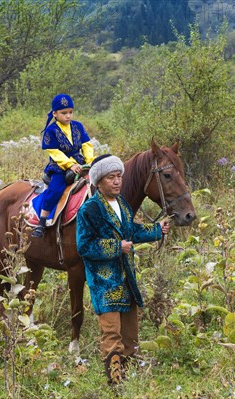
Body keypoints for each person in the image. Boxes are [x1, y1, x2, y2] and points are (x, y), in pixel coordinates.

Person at [76, 154, 170, 385]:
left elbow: (131, 231)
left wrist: (157, 230)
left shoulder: (123, 206)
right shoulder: (90, 210)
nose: (117, 181)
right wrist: (117, 247)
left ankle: (129, 376)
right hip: (105, 282)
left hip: (126, 279)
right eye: (111, 177)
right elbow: (84, 246)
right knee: (111, 333)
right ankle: (115, 382)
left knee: (130, 333)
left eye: (119, 176)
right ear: (99, 182)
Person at [32, 94, 95, 238]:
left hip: (80, 163)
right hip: (59, 165)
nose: (68, 116)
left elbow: (86, 144)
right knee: (56, 188)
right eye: (64, 113)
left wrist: (90, 161)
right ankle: (42, 221)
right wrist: (70, 164)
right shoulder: (50, 131)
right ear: (55, 113)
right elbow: (54, 151)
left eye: (70, 112)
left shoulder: (78, 126)